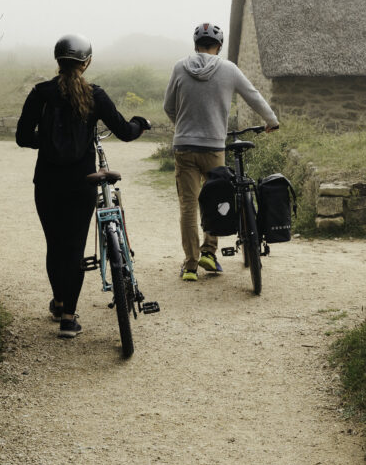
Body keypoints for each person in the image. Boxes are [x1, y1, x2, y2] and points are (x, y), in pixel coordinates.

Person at [16, 33, 151, 338]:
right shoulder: (95, 95)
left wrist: (48, 143)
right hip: (82, 183)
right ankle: (67, 318)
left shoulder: (40, 92)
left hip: (47, 182)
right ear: (86, 62)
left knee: (55, 245)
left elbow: (23, 137)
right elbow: (125, 132)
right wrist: (140, 124)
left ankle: (59, 298)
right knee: (75, 247)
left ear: (58, 61)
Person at [163, 23, 279, 281]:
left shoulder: (180, 67)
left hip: (184, 147)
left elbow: (168, 106)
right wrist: (271, 120)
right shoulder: (228, 69)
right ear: (219, 46)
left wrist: (182, 127)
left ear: (195, 45)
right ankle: (209, 253)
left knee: (188, 206)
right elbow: (253, 95)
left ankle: (191, 265)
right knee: (214, 199)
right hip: (214, 147)